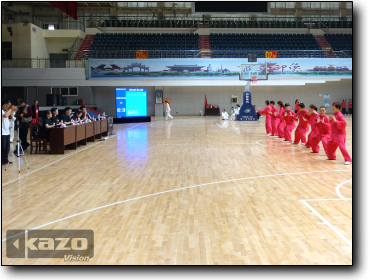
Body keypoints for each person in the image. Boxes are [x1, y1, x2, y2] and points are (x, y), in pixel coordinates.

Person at [2, 100, 18, 165]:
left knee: (7, 147)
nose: (9, 107)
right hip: (2, 132)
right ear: (4, 105)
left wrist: (12, 111)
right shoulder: (2, 111)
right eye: (8, 105)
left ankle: (6, 159)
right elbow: (5, 116)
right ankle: (2, 160)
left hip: (7, 132)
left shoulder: (7, 111)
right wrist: (10, 109)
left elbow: (10, 119)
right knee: (2, 147)